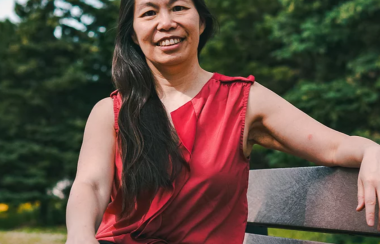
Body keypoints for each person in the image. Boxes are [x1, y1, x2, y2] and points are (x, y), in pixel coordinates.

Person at [65, 0, 380, 243]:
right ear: (132, 34)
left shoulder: (245, 100)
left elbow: (334, 145)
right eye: (149, 13)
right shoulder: (111, 111)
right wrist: (80, 234)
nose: (166, 22)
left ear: (201, 22)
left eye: (178, 8)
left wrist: (371, 150)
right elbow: (90, 185)